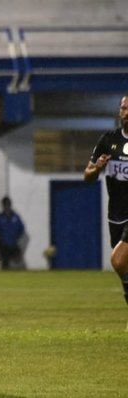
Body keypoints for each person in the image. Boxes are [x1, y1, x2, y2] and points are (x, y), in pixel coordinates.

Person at [84, 94, 128, 330]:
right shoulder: (108, 140)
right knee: (123, 268)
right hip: (116, 213)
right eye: (123, 108)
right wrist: (97, 168)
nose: (125, 111)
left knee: (117, 259)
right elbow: (87, 176)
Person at [0, 196, 26, 270]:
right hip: (3, 245)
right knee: (5, 263)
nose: (7, 206)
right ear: (3, 205)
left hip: (13, 244)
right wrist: (0, 238)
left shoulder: (15, 217)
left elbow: (21, 228)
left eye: (8, 204)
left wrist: (16, 237)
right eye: (5, 204)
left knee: (18, 260)